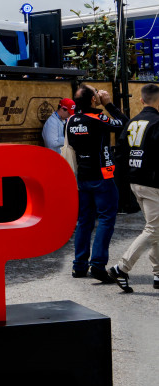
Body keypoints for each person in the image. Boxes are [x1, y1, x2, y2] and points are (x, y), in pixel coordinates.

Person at [67, 84, 128, 281]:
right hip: (102, 177)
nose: (99, 93)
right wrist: (109, 104)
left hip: (83, 177)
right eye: (96, 92)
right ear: (93, 99)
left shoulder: (70, 120)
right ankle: (98, 265)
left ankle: (79, 266)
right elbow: (124, 124)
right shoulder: (98, 118)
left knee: (84, 221)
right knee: (106, 219)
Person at [108, 83, 159, 292]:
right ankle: (122, 267)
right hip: (153, 182)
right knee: (153, 228)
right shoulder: (157, 123)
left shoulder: (133, 123)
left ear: (141, 100)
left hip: (135, 181)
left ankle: (157, 274)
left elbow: (119, 152)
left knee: (156, 227)